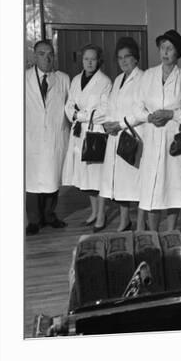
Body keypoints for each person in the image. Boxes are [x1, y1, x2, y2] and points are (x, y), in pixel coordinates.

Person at [133, 29, 181, 231]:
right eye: (162, 48)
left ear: (178, 53)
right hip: (152, 137)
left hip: (174, 141)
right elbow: (137, 107)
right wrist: (149, 117)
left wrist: (171, 114)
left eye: (170, 48)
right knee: (152, 190)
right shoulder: (148, 75)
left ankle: (170, 233)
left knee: (173, 188)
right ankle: (152, 234)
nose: (165, 52)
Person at [62, 44, 112, 232]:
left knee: (97, 177)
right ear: (82, 60)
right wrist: (75, 115)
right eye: (86, 59)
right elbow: (69, 105)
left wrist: (80, 115)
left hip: (94, 132)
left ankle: (101, 215)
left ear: (99, 60)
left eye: (93, 59)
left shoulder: (105, 82)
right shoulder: (75, 80)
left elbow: (105, 110)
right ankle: (93, 212)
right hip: (79, 132)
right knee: (86, 179)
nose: (89, 62)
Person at [100, 37, 146, 232]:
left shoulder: (143, 78)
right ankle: (124, 220)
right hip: (116, 135)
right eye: (120, 58)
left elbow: (141, 111)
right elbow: (110, 106)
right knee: (120, 183)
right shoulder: (118, 79)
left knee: (137, 183)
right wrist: (108, 123)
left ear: (136, 58)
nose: (124, 61)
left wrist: (119, 124)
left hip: (134, 134)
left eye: (127, 57)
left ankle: (141, 223)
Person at [25, 40, 71, 235]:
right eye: (42, 54)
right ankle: (34, 221)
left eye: (50, 53)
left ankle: (50, 216)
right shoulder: (23, 78)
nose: (47, 57)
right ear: (35, 57)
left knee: (52, 179)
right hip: (31, 137)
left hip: (55, 136)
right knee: (33, 182)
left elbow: (71, 106)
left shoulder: (63, 78)